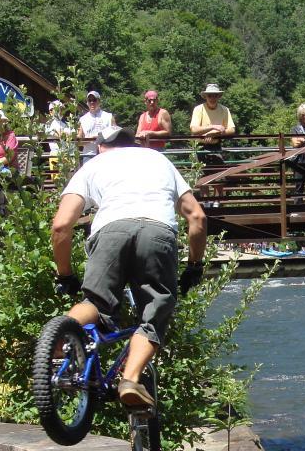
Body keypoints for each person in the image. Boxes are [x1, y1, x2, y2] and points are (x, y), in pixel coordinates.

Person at [50, 125, 207, 408]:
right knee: (154, 314)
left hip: (110, 231)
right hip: (158, 232)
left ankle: (58, 338)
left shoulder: (93, 165)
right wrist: (194, 265)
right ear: (133, 143)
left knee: (96, 302)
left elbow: (61, 225)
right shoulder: (158, 160)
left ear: (100, 147)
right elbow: (197, 217)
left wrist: (65, 275)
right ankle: (131, 380)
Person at [189, 83, 235, 173]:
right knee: (200, 177)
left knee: (219, 177)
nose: (212, 98)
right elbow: (194, 129)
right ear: (206, 97)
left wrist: (215, 134)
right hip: (200, 147)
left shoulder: (224, 110)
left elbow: (232, 129)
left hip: (216, 146)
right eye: (210, 96)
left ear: (218, 97)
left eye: (215, 95)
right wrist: (213, 127)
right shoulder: (198, 109)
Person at [79, 90, 115, 165]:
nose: (92, 102)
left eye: (94, 100)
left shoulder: (109, 116)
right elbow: (79, 140)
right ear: (87, 103)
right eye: (89, 100)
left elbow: (115, 135)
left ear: (99, 101)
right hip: (88, 155)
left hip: (105, 154)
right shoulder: (83, 119)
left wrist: (101, 138)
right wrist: (91, 139)